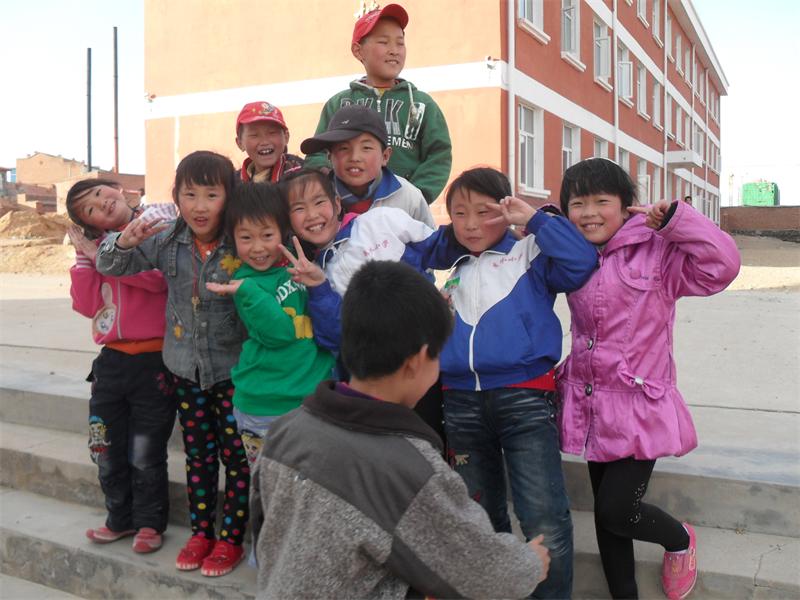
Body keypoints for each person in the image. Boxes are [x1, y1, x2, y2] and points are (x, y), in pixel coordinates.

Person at [249, 260, 550, 599]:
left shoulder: (286, 429)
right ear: (416, 361)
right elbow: (484, 573)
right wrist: (529, 563)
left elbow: (263, 531)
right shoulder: (410, 470)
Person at [557, 157, 740, 599]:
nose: (589, 213)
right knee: (607, 518)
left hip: (641, 405)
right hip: (592, 404)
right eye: (577, 204)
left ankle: (679, 539)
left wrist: (678, 221)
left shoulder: (657, 252)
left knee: (617, 511)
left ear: (626, 207)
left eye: (601, 201)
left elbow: (723, 266)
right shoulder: (572, 254)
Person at [437, 167, 598, 599]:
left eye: (483, 212)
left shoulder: (529, 252)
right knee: (479, 520)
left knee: (543, 518)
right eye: (459, 214)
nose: (471, 224)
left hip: (524, 398)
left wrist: (535, 220)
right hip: (460, 403)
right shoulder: (456, 266)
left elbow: (582, 262)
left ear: (506, 209)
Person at [96, 151, 250, 578]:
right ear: (176, 197)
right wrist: (124, 241)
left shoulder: (242, 238)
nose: (200, 206)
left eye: (212, 195)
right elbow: (109, 264)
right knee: (199, 455)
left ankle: (231, 539)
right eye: (190, 194)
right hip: (185, 370)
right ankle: (201, 533)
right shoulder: (165, 238)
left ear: (229, 195)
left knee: (237, 458)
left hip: (235, 372)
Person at [277, 167, 461, 439]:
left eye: (319, 202)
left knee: (429, 442)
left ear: (336, 203)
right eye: (299, 208)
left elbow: (440, 248)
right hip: (374, 390)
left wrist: (481, 229)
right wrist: (318, 286)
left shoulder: (380, 221)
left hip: (424, 366)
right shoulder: (311, 271)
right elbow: (336, 338)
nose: (312, 215)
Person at [66, 178, 177, 555]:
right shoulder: (95, 248)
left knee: (146, 450)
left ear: (119, 189)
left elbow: (159, 282)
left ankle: (149, 523)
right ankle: (119, 517)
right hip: (111, 361)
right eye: (90, 209)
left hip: (153, 362)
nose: (101, 204)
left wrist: (106, 257)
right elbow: (85, 305)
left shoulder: (155, 226)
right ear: (90, 224)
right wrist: (85, 259)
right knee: (104, 446)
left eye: (101, 193)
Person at [205, 182, 335, 467]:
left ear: (283, 231)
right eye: (246, 238)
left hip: (311, 401)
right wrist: (249, 293)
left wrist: (318, 282)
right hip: (265, 406)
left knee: (312, 484)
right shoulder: (245, 284)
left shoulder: (298, 265)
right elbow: (280, 333)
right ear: (233, 238)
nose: (258, 247)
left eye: (267, 235)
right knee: (271, 485)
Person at [304, 3, 451, 204]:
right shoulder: (340, 104)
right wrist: (333, 186)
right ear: (358, 51)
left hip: (404, 211)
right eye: (384, 42)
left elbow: (439, 156)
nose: (394, 51)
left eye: (400, 43)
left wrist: (413, 196)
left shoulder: (421, 104)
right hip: (348, 211)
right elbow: (317, 154)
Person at [300, 102, 434, 228]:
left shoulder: (408, 197)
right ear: (329, 156)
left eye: (366, 148)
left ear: (385, 156)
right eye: (343, 148)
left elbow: (431, 242)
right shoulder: (318, 198)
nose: (354, 157)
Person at [235, 101, 303, 183]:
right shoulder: (233, 182)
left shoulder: (300, 175)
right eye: (254, 135)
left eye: (272, 133)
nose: (264, 142)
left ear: (286, 137)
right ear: (240, 143)